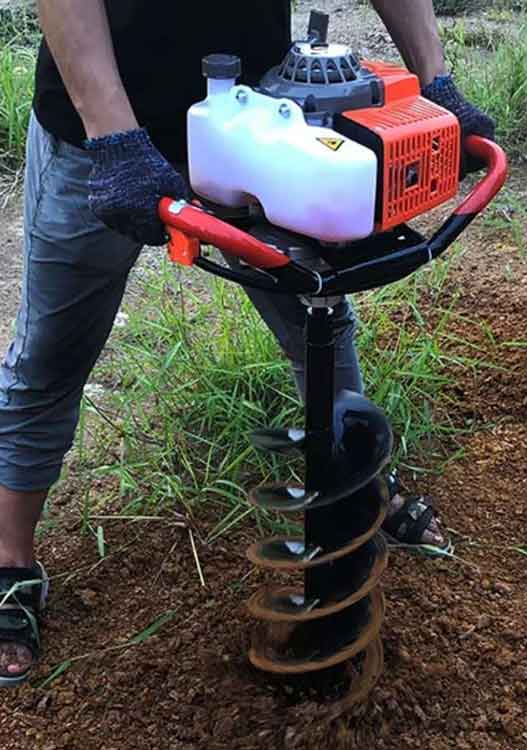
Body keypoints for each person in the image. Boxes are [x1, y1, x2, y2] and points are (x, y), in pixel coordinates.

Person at [0, 0, 496, 686]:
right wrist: (115, 137)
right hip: (97, 136)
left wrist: (434, 83)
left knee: (318, 317)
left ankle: (356, 493)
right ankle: (10, 565)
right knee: (51, 358)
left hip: (258, 124)